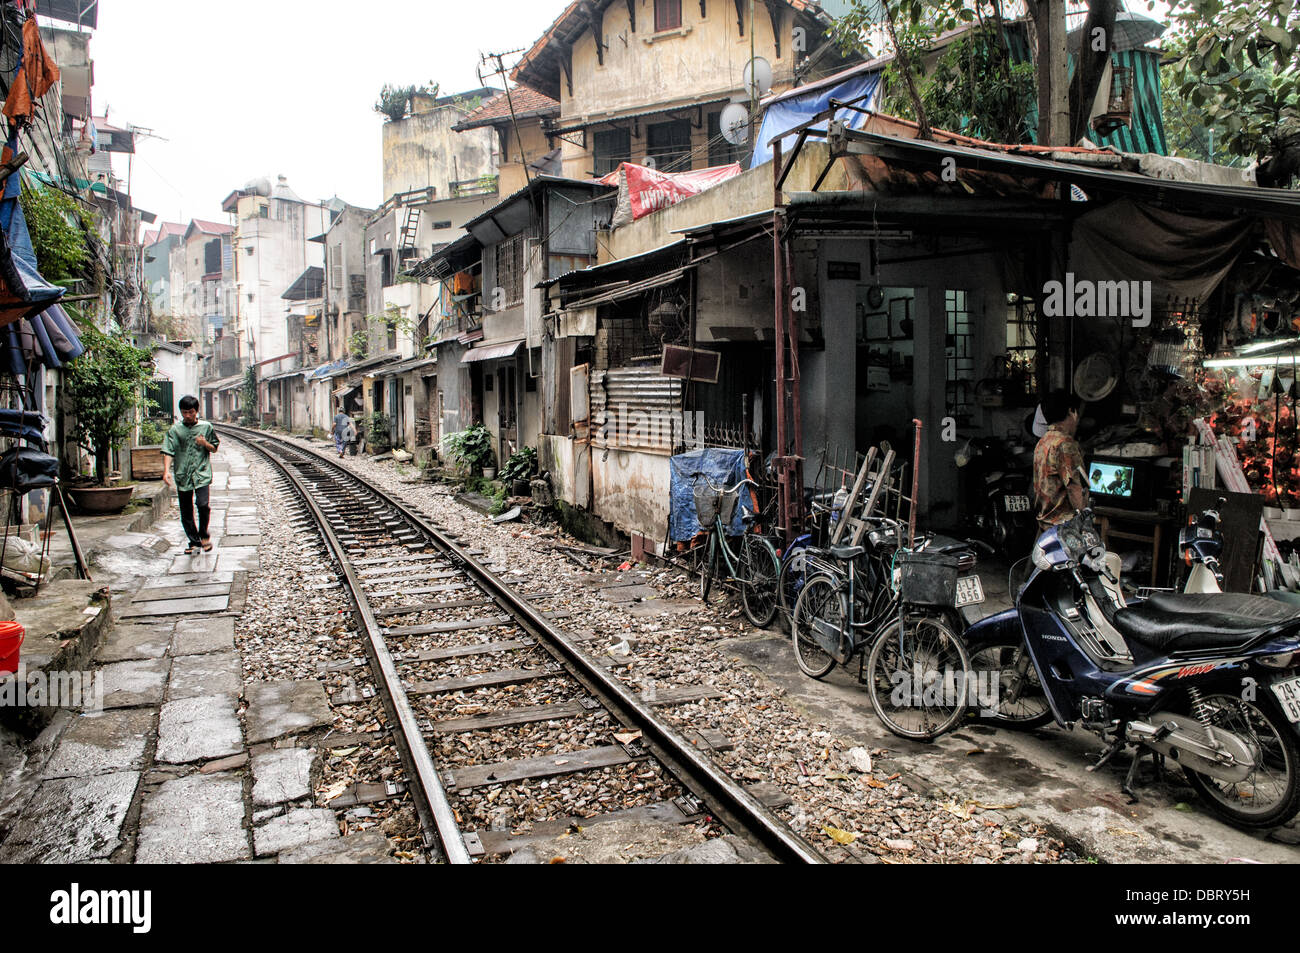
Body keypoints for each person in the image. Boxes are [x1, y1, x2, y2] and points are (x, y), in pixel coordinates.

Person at [162, 395, 221, 555]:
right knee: (186, 510)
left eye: (191, 412)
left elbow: (214, 448)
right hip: (183, 474)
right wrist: (166, 471)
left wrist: (205, 444)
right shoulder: (175, 430)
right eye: (184, 412)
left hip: (201, 474)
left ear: (196, 411)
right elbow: (169, 450)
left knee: (203, 505)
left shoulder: (206, 427)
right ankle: (193, 541)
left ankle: (203, 535)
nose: (187, 415)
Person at [1033, 391, 1088, 532]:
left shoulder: (1043, 441)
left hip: (1045, 524)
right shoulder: (1065, 443)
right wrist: (1085, 520)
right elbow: (1074, 486)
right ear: (1072, 411)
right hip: (1064, 527)